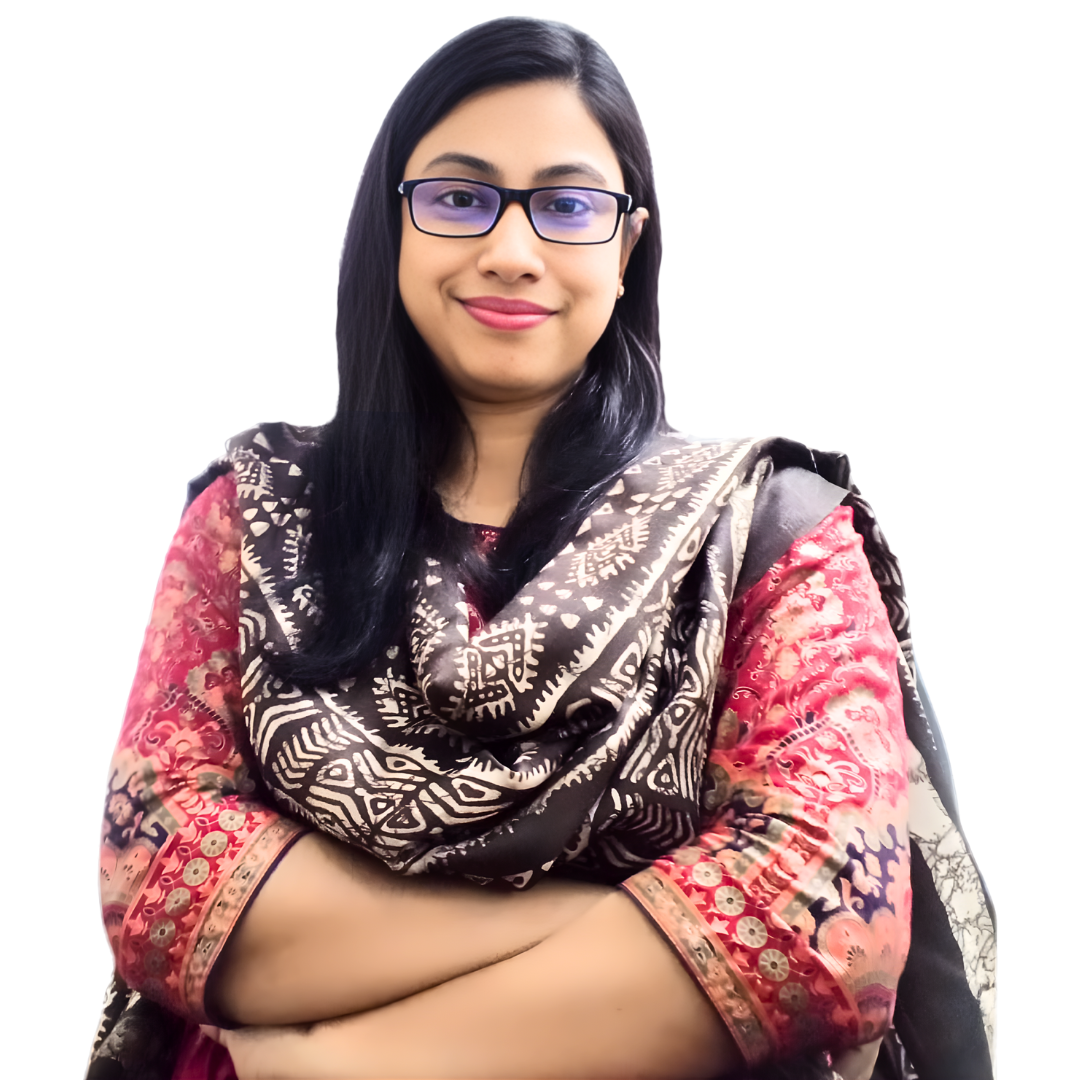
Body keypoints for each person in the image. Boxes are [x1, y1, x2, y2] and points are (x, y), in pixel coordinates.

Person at [86, 17, 996, 1080]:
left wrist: (342, 1063)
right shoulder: (256, 514)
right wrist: (626, 926)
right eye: (459, 197)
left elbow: (823, 920)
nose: (511, 252)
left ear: (629, 245)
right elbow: (160, 879)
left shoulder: (765, 531)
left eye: (568, 207)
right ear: (390, 226)